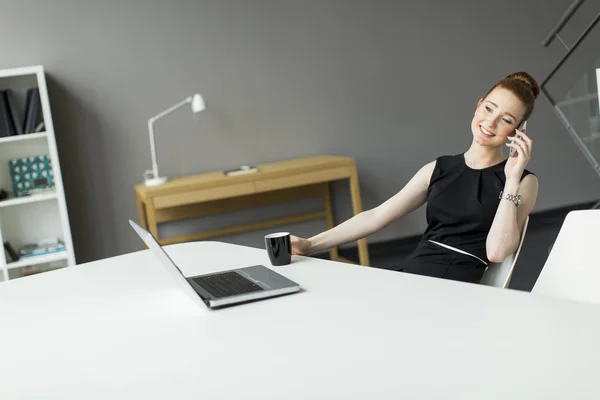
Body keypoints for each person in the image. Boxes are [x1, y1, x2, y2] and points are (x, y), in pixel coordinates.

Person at [290, 72, 539, 284]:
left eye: (506, 120)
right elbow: (377, 216)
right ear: (479, 105)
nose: (491, 122)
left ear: (518, 131)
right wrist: (309, 245)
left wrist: (511, 177)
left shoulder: (522, 182)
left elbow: (497, 252)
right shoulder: (440, 168)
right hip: (415, 275)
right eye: (488, 108)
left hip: (452, 288)